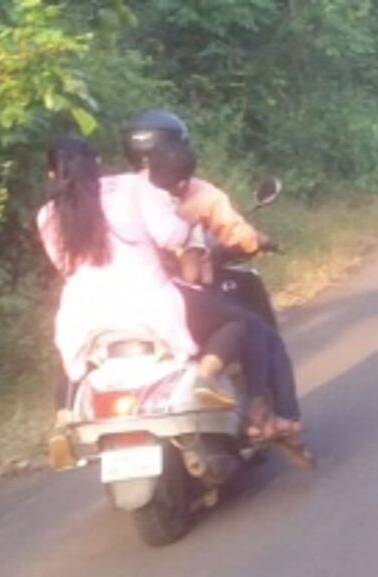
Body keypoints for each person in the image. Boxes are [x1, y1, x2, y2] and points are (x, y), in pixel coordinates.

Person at [38, 136, 245, 466]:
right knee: (237, 321)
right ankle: (206, 378)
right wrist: (187, 220)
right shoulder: (131, 187)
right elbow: (172, 236)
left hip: (85, 316)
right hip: (148, 306)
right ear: (98, 161)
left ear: (52, 175)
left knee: (72, 360)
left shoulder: (48, 215)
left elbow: (65, 268)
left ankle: (63, 421)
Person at [128, 117, 312, 468]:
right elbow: (230, 241)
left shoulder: (123, 193)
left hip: (127, 303)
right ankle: (273, 416)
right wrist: (260, 242)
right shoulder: (194, 197)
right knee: (255, 330)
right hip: (182, 298)